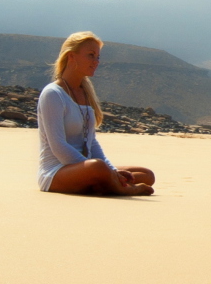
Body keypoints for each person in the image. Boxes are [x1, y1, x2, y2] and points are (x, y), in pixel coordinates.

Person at [37, 31, 156, 196]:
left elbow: (92, 143)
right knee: (97, 166)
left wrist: (112, 171)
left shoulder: (85, 93)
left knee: (146, 174)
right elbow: (58, 146)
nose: (96, 62)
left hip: (88, 167)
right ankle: (122, 189)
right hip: (57, 171)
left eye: (98, 57)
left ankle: (103, 184)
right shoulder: (53, 94)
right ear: (71, 56)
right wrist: (101, 171)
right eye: (91, 55)